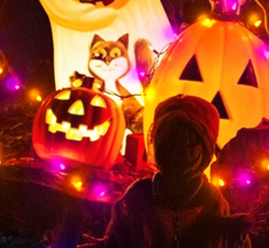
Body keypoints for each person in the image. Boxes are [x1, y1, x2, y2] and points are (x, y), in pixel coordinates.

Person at [83, 95, 250, 248]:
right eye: (171, 143)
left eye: (189, 144)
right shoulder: (138, 196)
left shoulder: (212, 201)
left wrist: (231, 233)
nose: (180, 153)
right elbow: (120, 239)